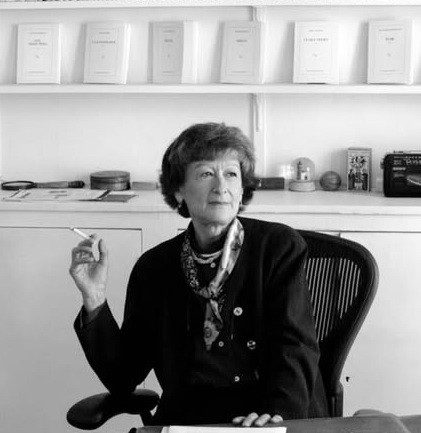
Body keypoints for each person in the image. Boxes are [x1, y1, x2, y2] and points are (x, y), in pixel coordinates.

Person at [69, 122, 328, 427]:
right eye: (206, 174)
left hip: (268, 412)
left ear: (242, 188)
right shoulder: (154, 267)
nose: (221, 187)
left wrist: (279, 416)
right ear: (178, 190)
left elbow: (295, 347)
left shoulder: (279, 247)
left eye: (231, 174)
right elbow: (123, 376)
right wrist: (94, 298)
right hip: (189, 418)